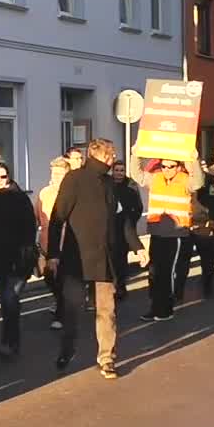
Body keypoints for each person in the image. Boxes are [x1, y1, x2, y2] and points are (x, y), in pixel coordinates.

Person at [47, 139, 148, 379]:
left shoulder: (110, 184)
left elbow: (122, 220)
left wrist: (137, 246)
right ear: (100, 155)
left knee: (107, 310)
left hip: (105, 256)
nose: (114, 158)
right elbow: (57, 217)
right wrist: (53, 254)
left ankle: (107, 358)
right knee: (71, 309)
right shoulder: (75, 179)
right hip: (76, 257)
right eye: (111, 154)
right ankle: (68, 348)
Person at [128, 152, 203, 322]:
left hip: (175, 234)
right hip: (156, 232)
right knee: (154, 273)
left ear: (178, 166)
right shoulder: (155, 178)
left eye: (171, 166)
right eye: (164, 166)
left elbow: (198, 182)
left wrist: (194, 159)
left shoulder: (185, 180)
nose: (167, 170)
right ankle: (154, 306)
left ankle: (165, 309)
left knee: (167, 273)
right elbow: (137, 174)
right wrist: (136, 153)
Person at [0, 162, 38, 358]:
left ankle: (11, 343)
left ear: (9, 178)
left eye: (3, 176)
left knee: (10, 299)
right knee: (7, 302)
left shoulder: (20, 199)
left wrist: (28, 253)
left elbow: (30, 228)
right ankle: (9, 340)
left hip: (18, 259)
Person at [185, 151, 214, 296]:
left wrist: (213, 220)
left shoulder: (211, 179)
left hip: (204, 225)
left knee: (207, 258)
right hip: (185, 225)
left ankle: (208, 287)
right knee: (183, 260)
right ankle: (178, 290)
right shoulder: (181, 178)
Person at [35, 156, 71, 331]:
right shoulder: (44, 193)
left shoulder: (71, 193)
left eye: (60, 174)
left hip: (67, 245)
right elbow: (36, 218)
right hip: (46, 245)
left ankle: (61, 315)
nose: (56, 177)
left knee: (63, 280)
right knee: (50, 278)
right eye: (54, 173)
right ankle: (60, 301)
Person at [110, 159, 144, 299]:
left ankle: (121, 286)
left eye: (121, 170)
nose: (119, 173)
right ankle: (112, 285)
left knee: (121, 259)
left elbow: (138, 207)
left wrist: (131, 221)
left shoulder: (131, 185)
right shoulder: (108, 184)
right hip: (111, 227)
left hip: (125, 228)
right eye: (116, 170)